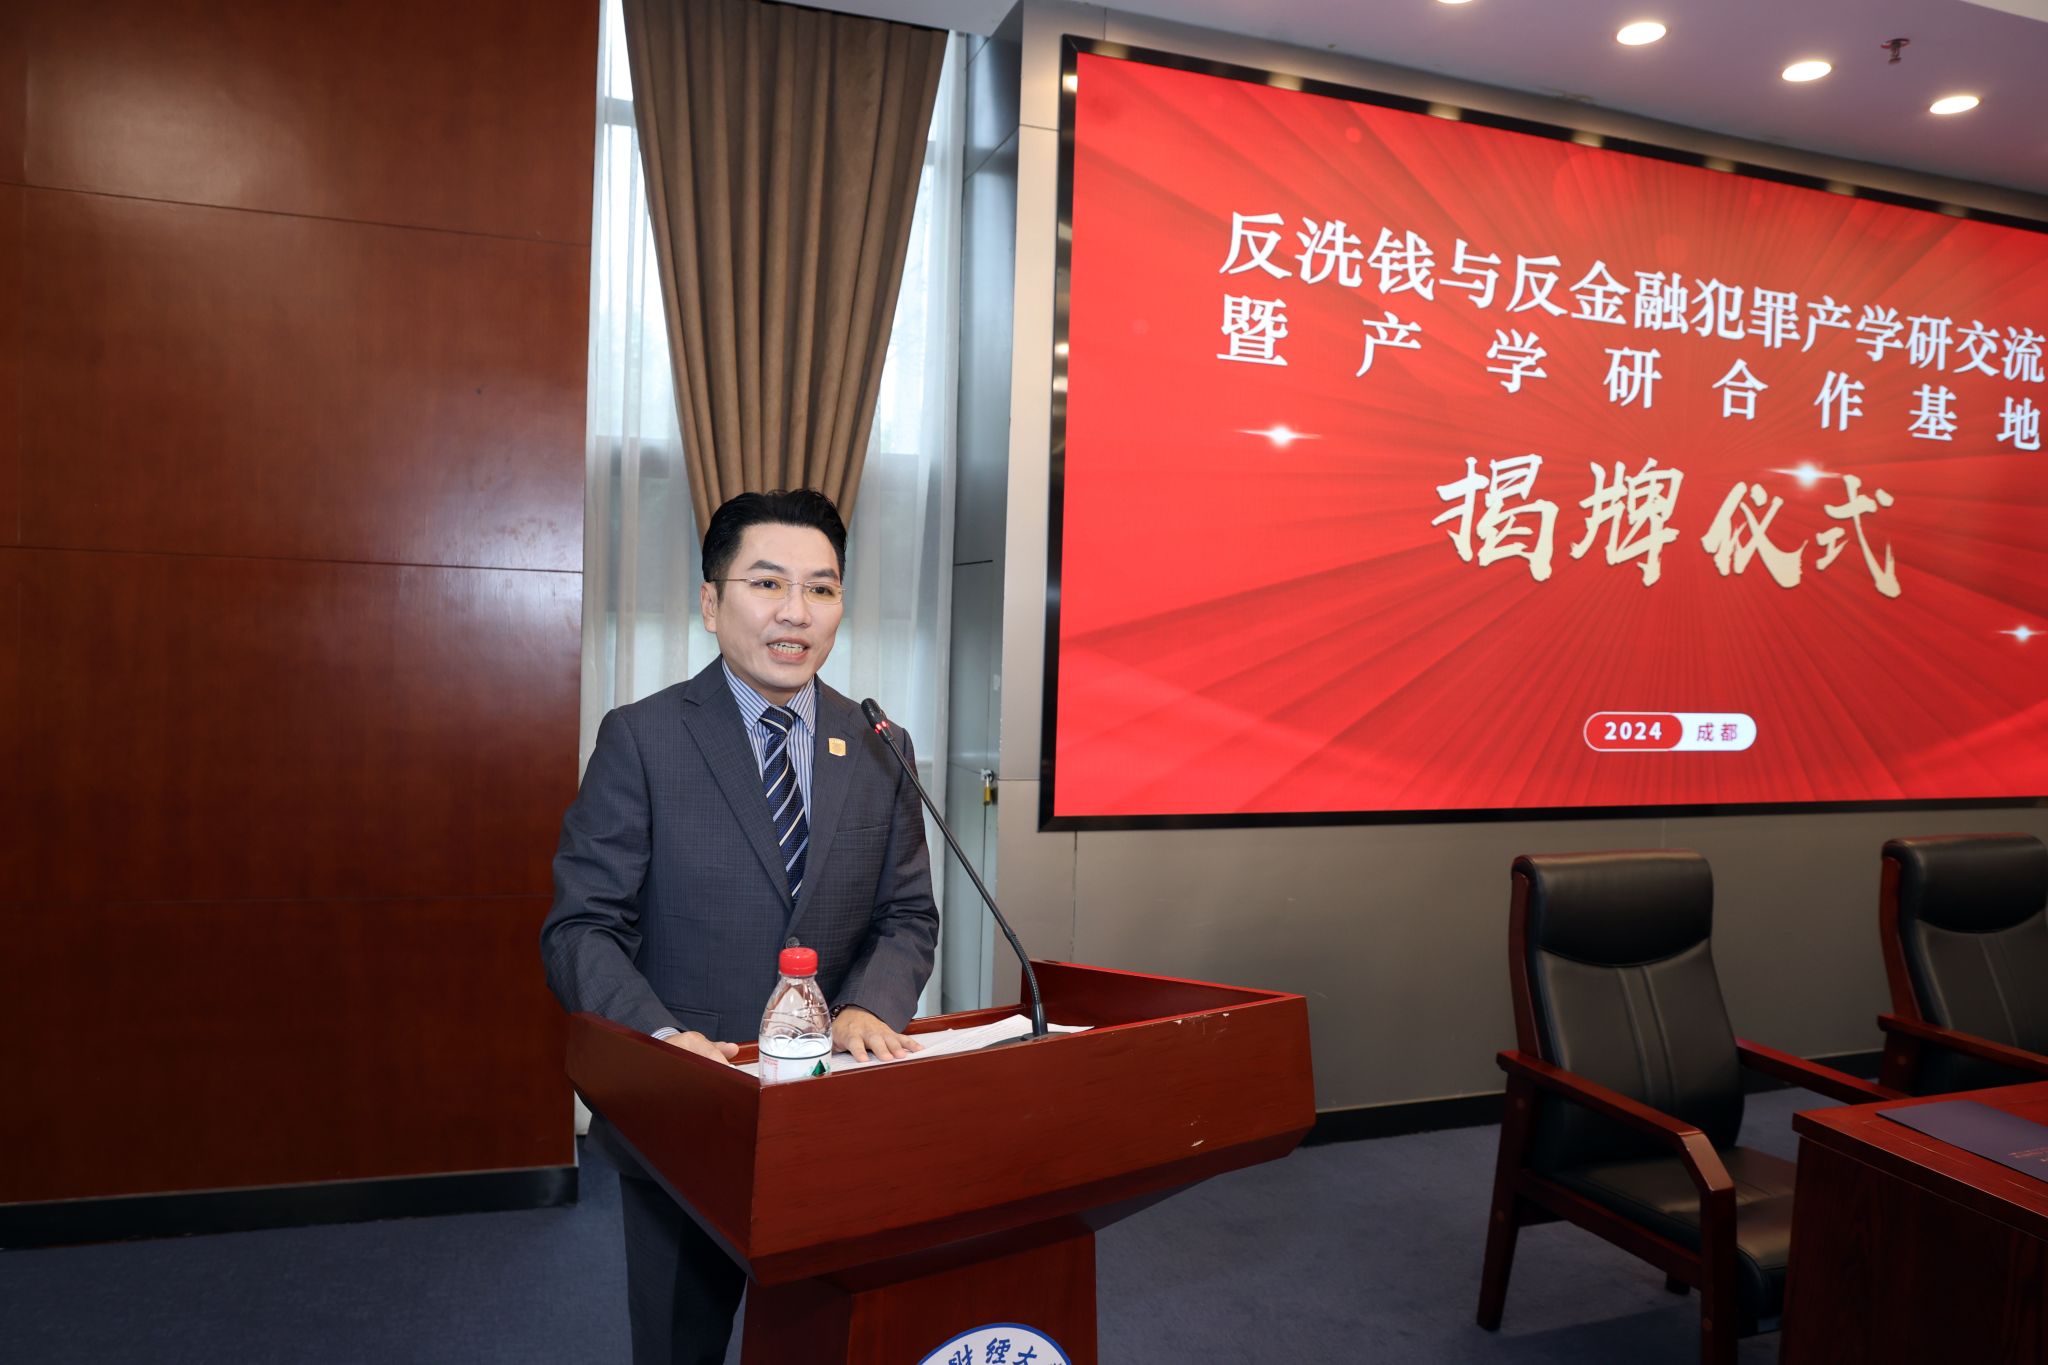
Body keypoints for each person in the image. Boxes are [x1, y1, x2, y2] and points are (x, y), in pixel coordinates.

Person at [540, 488, 939, 1365]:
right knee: (680, 1344)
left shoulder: (879, 742)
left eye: (821, 588)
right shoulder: (642, 738)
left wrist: (871, 1005)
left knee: (828, 1341)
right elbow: (581, 928)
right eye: (767, 583)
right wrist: (660, 1042)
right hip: (689, 1120)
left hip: (834, 1112)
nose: (796, 611)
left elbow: (908, 913)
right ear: (712, 602)